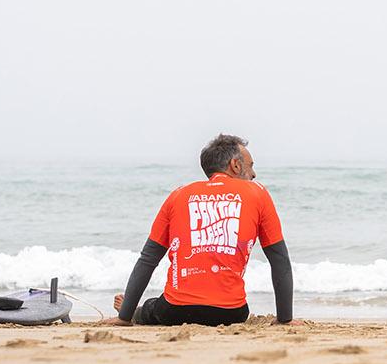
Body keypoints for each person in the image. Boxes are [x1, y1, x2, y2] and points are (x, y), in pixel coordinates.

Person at [103, 134, 299, 326]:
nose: (254, 174)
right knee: (161, 306)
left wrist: (125, 317)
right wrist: (285, 319)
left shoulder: (178, 195)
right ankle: (136, 310)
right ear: (236, 165)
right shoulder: (258, 193)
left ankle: (131, 311)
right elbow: (279, 259)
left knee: (151, 308)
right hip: (232, 313)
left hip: (175, 310)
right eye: (251, 165)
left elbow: (148, 259)